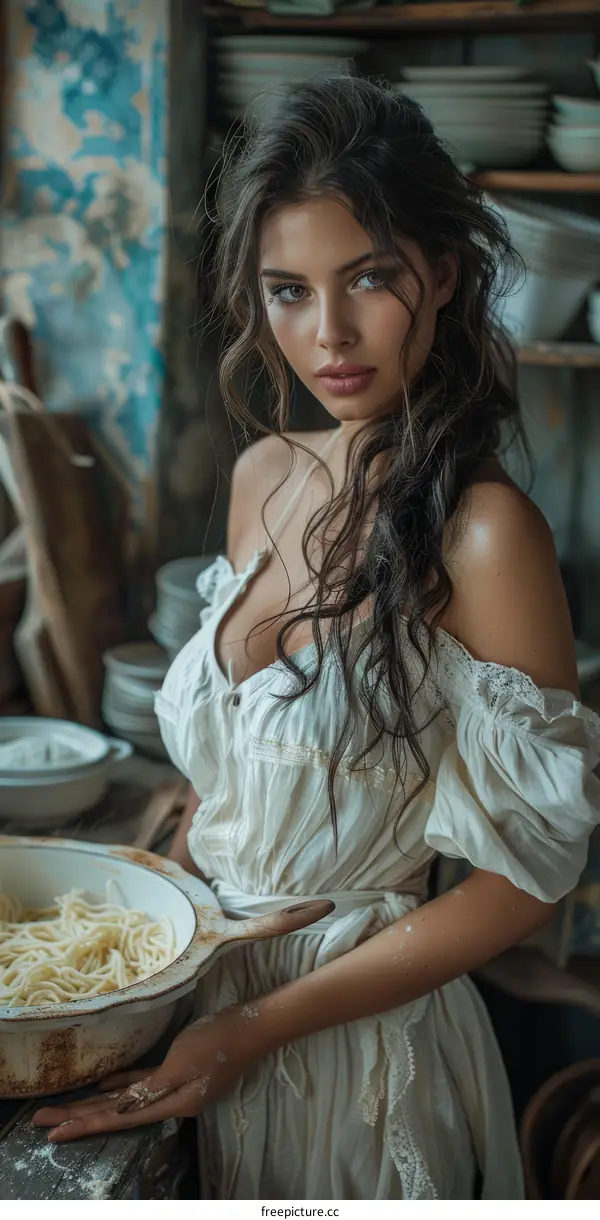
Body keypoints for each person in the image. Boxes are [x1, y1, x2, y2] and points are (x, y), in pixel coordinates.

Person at [33, 76, 600, 1200]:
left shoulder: (485, 535)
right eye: (288, 290)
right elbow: (241, 768)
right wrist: (160, 893)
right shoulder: (262, 475)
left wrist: (254, 1026)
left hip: (355, 1055)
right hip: (196, 996)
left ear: (442, 274)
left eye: (371, 279)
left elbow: (524, 884)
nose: (327, 335)